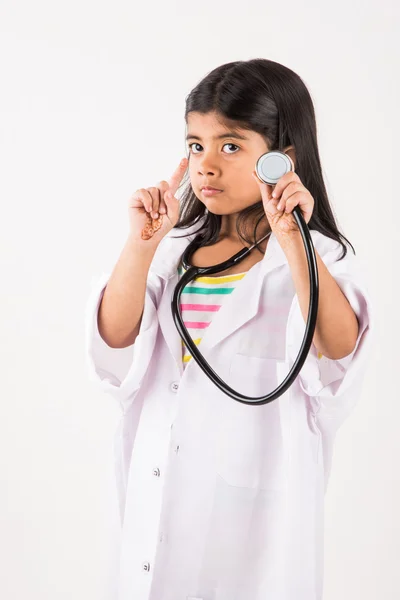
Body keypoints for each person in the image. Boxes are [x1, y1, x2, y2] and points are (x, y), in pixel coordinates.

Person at [84, 58, 374, 600]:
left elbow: (340, 350)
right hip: (157, 504)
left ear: (281, 161)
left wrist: (294, 243)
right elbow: (114, 342)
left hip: (256, 528)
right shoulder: (172, 253)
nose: (206, 166)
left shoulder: (319, 261)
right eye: (196, 144)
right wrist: (142, 244)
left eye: (231, 146)